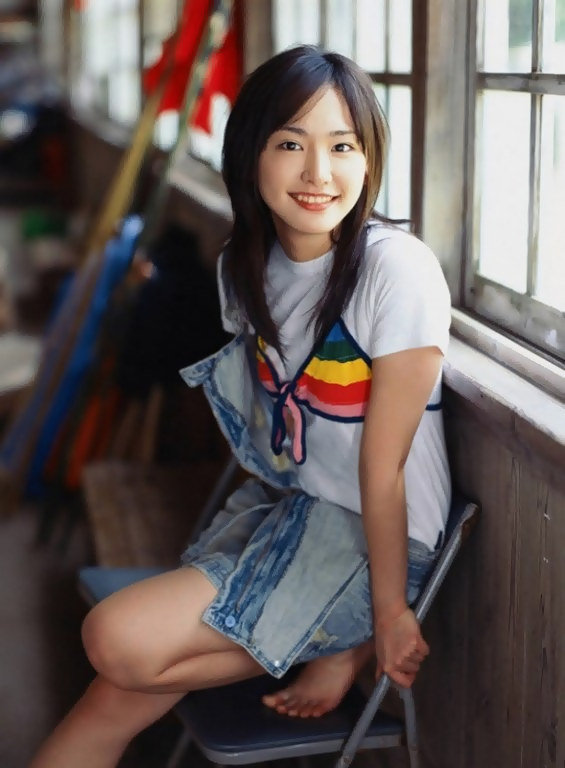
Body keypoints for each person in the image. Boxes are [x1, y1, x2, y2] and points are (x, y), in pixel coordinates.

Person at [30, 45, 451, 768]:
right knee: (112, 694)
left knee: (114, 640)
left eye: (342, 146)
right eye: (290, 144)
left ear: (369, 157)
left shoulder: (394, 270)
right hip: (292, 512)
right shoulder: (244, 268)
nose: (318, 173)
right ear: (250, 154)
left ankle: (341, 641)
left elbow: (382, 472)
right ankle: (321, 645)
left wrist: (387, 615)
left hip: (377, 541)